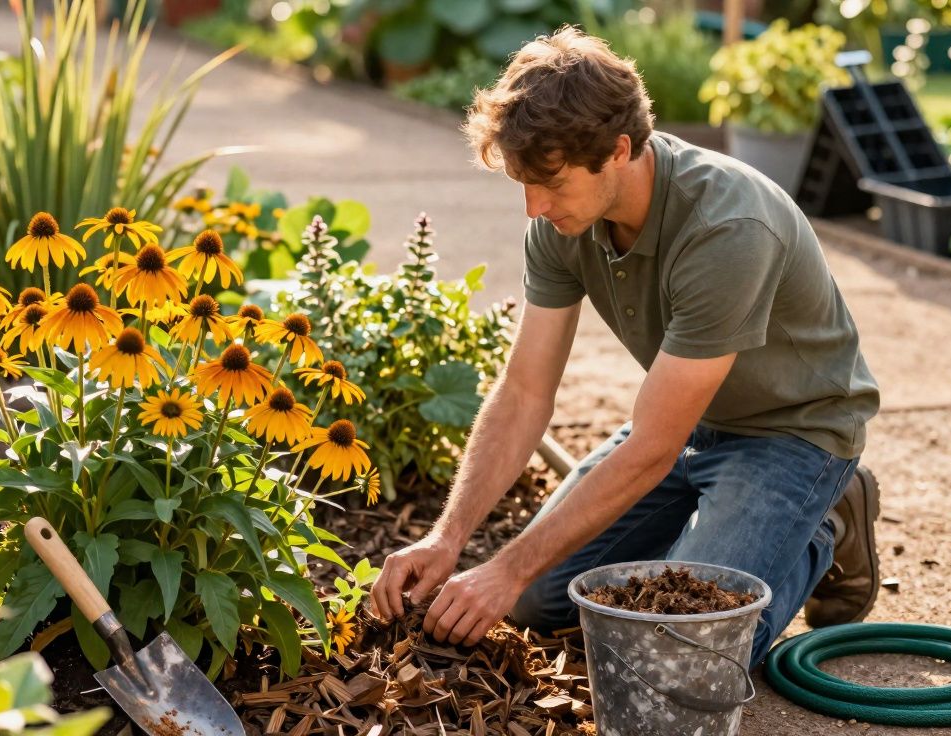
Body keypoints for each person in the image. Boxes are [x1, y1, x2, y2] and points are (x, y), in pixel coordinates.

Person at [368, 27, 882, 666]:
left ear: (617, 150)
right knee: (539, 602)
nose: (534, 207)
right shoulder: (561, 221)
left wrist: (506, 567)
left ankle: (823, 521)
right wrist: (447, 539)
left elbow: (652, 447)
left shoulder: (728, 227)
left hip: (793, 432)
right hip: (688, 425)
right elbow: (524, 391)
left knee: (688, 650)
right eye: (523, 182)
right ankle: (720, 534)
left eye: (552, 183)